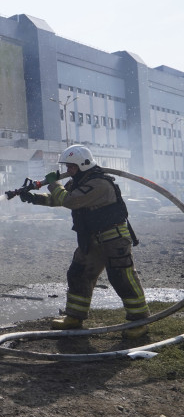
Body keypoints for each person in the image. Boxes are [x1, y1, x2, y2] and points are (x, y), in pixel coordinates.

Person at [20, 144, 150, 339]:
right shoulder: (81, 181)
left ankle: (140, 321)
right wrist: (33, 198)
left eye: (71, 167)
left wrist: (54, 184)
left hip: (114, 239)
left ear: (83, 164)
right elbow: (60, 199)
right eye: (67, 167)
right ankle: (74, 316)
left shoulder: (99, 184)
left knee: (121, 278)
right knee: (78, 274)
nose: (68, 171)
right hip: (91, 239)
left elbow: (70, 201)